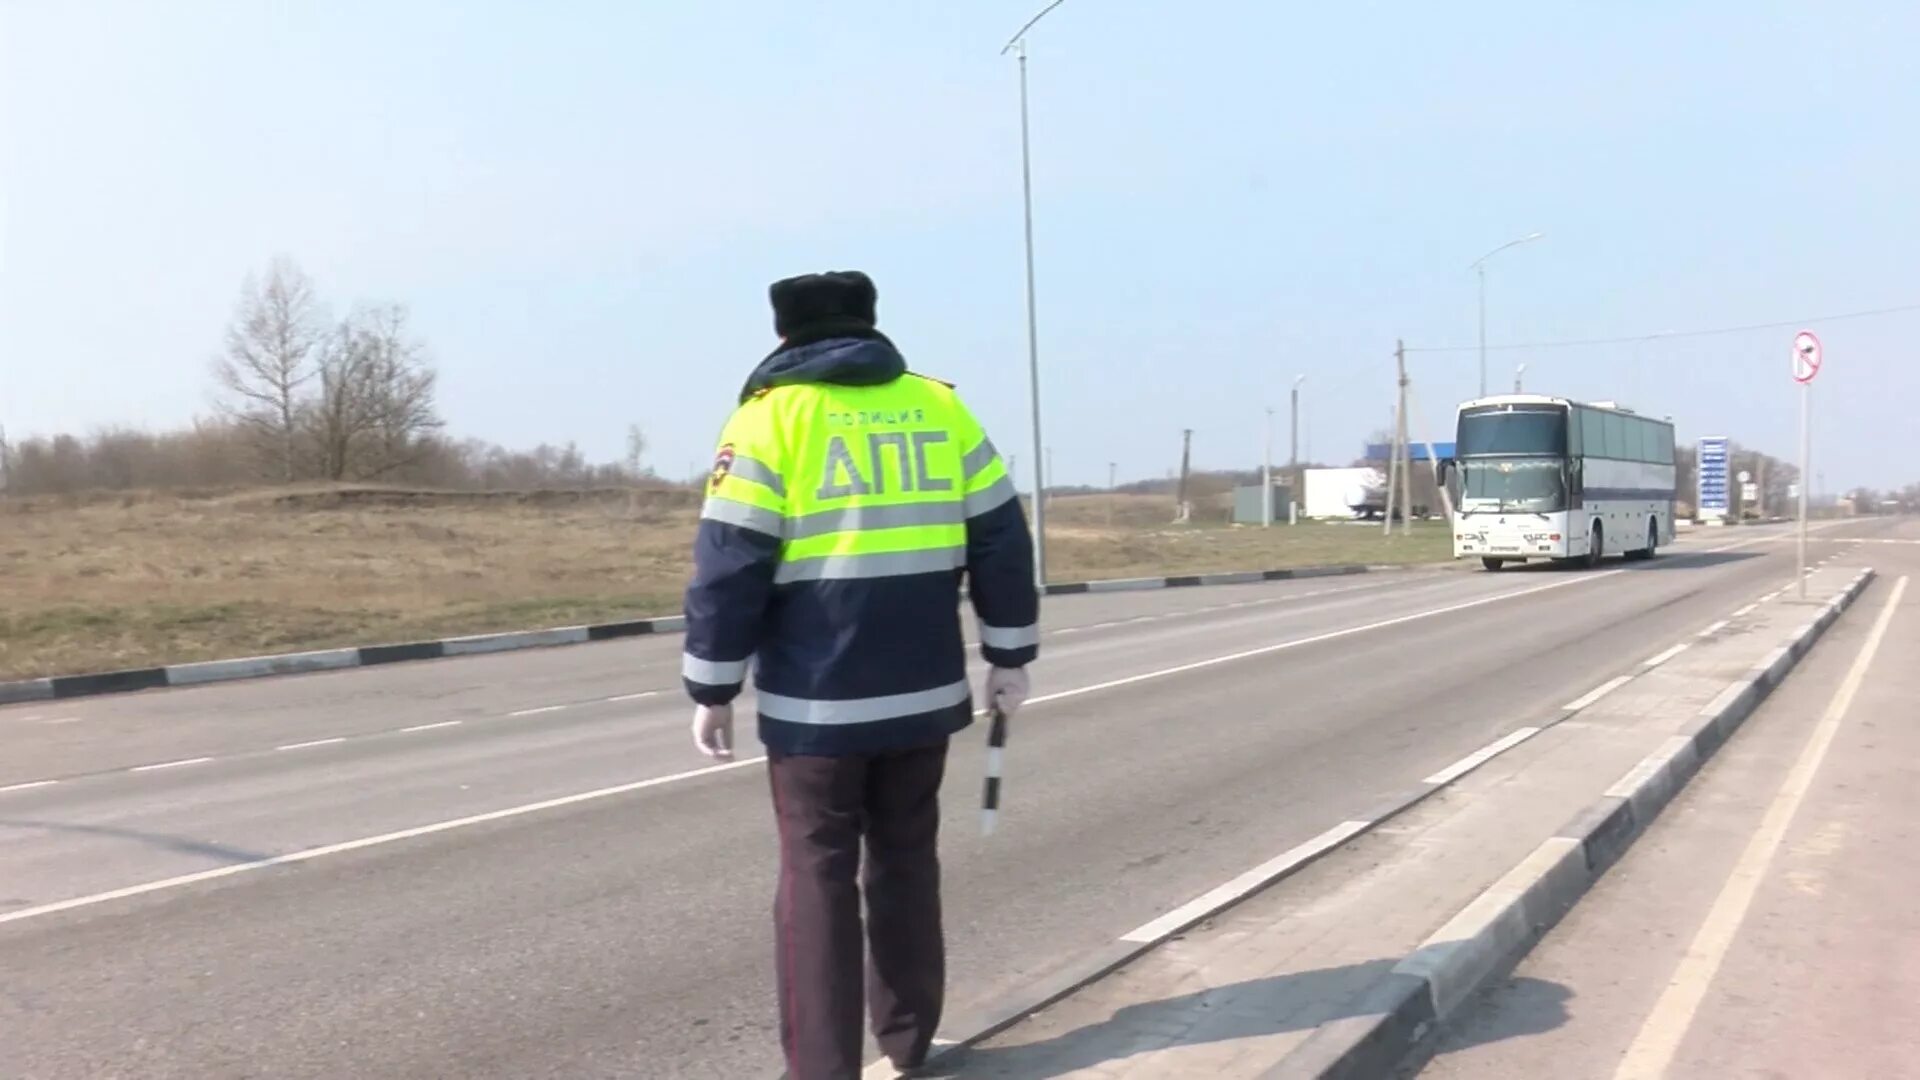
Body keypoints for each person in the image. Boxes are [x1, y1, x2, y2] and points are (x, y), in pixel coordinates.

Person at [681, 270, 1038, 1080]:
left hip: (816, 708)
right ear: (871, 325)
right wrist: (1010, 655)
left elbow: (727, 567)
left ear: (783, 339)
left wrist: (712, 686)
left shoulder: (768, 421)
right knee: (909, 861)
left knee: (817, 875)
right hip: (924, 696)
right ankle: (910, 1043)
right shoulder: (941, 409)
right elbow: (1001, 541)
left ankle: (821, 1067)